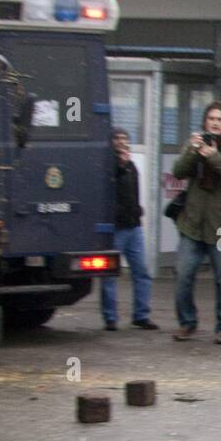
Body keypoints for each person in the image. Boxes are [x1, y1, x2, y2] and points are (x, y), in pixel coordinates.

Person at [171, 102, 221, 344]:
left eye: (220, 119)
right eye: (211, 118)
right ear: (205, 121)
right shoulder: (195, 142)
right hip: (193, 223)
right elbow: (178, 172)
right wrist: (193, 151)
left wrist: (214, 156)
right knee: (183, 274)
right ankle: (187, 323)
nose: (215, 123)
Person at [100, 129, 156, 331]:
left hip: (134, 227)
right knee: (110, 275)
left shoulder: (131, 165)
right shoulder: (109, 164)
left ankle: (141, 315)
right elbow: (107, 185)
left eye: (125, 138)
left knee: (142, 272)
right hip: (116, 229)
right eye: (118, 138)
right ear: (111, 142)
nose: (122, 142)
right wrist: (121, 165)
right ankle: (110, 317)